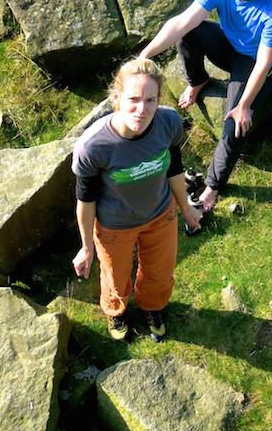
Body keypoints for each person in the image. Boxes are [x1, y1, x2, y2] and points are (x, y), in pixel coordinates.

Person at [138, 0, 272, 211]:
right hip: (231, 47)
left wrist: (243, 106)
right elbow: (181, 22)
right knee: (189, 32)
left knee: (235, 122)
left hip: (257, 63)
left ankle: (212, 186)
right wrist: (144, 56)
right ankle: (198, 81)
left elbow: (264, 63)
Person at [71, 58, 202, 341]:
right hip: (114, 226)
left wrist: (186, 207)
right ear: (116, 98)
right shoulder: (94, 146)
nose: (142, 110)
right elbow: (85, 198)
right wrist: (86, 247)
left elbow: (174, 167)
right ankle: (116, 312)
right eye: (133, 99)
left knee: (160, 272)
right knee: (116, 278)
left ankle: (152, 306)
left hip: (161, 215)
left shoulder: (168, 122)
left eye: (150, 100)